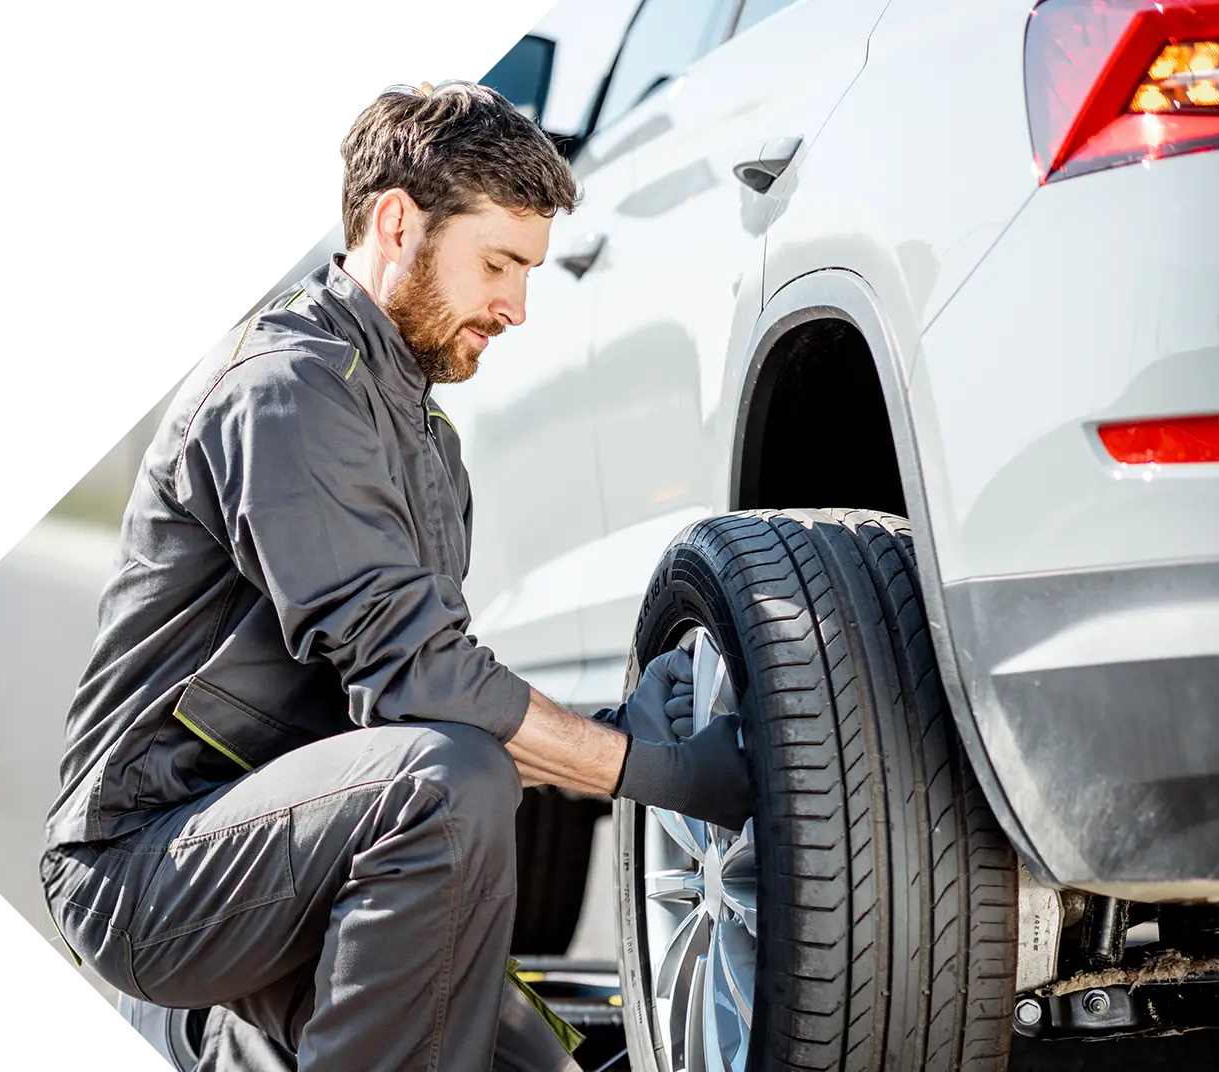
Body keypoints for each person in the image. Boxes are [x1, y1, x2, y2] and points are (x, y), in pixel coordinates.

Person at [37, 81, 754, 1072]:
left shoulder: (424, 439)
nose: (517, 305)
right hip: (148, 868)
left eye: (529, 272)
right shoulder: (288, 391)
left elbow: (434, 703)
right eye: (499, 262)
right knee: (449, 787)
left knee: (533, 1061)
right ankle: (207, 1026)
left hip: (296, 842)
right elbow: (425, 693)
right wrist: (649, 771)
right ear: (395, 220)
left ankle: (235, 1044)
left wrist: (618, 737)